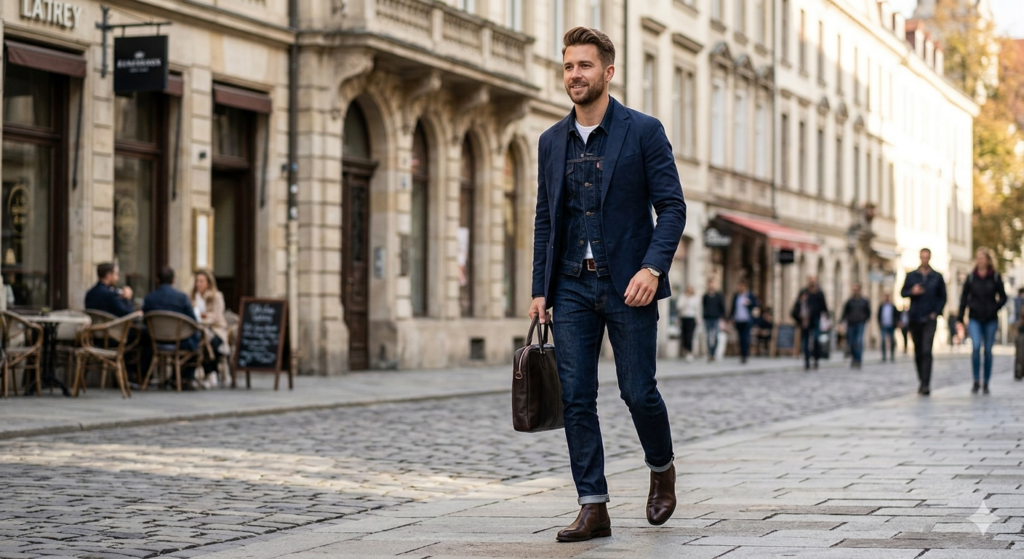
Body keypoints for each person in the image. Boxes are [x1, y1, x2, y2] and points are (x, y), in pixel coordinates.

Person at [528, 27, 686, 542]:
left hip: (629, 285)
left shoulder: (642, 131)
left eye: (585, 66)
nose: (576, 75)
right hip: (571, 285)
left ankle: (661, 469)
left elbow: (672, 208)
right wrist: (539, 291)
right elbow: (545, 221)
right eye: (569, 66)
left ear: (608, 72)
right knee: (575, 396)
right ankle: (592, 505)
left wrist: (652, 268)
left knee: (638, 392)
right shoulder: (551, 141)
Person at [955, 247, 1007, 395]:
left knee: (988, 351)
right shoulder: (971, 278)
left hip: (990, 318)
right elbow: (964, 298)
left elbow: (1003, 297)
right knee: (976, 348)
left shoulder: (995, 277)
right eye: (978, 258)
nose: (980, 260)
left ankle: (986, 382)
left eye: (982, 258)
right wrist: (960, 317)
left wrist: (995, 307)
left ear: (988, 260)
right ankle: (976, 380)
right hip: (975, 317)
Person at [143, 266, 202, 390]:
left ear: (157, 280)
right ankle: (183, 377)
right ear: (173, 280)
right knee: (197, 337)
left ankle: (143, 377)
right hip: (180, 341)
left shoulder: (150, 298)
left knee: (142, 336)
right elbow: (193, 321)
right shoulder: (182, 297)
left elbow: (145, 321)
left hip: (156, 342)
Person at [900, 248, 947, 396]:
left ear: (930, 258)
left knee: (927, 350)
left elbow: (943, 297)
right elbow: (902, 292)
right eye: (922, 257)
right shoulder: (912, 276)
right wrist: (911, 292)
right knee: (918, 350)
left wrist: (936, 312)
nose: (924, 260)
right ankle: (922, 379)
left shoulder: (937, 277)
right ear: (920, 258)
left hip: (929, 318)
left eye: (927, 257)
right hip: (914, 317)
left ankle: (926, 383)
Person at [192, 270, 231, 388]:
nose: (198, 284)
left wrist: (202, 317)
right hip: (199, 329)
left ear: (208, 283)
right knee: (197, 340)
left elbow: (216, 316)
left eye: (201, 281)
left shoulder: (216, 296)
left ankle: (211, 373)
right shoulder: (193, 297)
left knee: (210, 341)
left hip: (217, 330)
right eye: (197, 281)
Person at [792, 276, 828, 370]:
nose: (812, 283)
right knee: (805, 341)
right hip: (805, 320)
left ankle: (816, 360)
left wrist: (826, 319)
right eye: (810, 281)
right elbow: (797, 305)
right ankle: (807, 362)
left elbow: (824, 307)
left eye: (813, 281)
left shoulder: (819, 293)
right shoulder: (804, 292)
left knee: (816, 339)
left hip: (816, 319)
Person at [840, 283, 871, 369]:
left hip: (860, 323)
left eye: (856, 289)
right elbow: (845, 312)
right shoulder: (850, 301)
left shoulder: (864, 301)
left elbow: (868, 312)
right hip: (851, 323)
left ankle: (858, 359)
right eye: (854, 290)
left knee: (859, 341)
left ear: (859, 290)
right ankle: (854, 359)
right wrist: (841, 321)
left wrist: (864, 319)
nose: (855, 291)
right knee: (852, 342)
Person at [729, 280, 759, 364]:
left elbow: (756, 305)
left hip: (747, 319)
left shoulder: (750, 295)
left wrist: (749, 303)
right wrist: (731, 318)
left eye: (742, 286)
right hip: (738, 319)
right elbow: (733, 307)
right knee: (740, 338)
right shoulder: (736, 296)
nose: (740, 288)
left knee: (745, 337)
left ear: (745, 287)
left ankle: (745, 355)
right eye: (739, 286)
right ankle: (742, 354)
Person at [702, 281, 726, 362]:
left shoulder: (718, 296)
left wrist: (723, 318)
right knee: (708, 337)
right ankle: (710, 353)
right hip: (708, 318)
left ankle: (714, 353)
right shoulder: (705, 296)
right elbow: (703, 306)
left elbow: (722, 307)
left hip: (716, 318)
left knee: (716, 336)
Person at [675, 286, 699, 361]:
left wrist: (698, 319)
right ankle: (685, 350)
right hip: (684, 317)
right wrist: (686, 299)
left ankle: (689, 352)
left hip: (691, 318)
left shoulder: (695, 298)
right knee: (684, 335)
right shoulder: (683, 297)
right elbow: (679, 306)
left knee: (690, 335)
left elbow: (697, 309)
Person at [877, 293, 897, 362]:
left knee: (892, 341)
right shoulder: (881, 306)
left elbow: (896, 315)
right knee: (883, 341)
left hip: (891, 326)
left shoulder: (893, 306)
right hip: (883, 326)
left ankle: (892, 355)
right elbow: (878, 315)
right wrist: (879, 322)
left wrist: (896, 323)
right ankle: (884, 356)